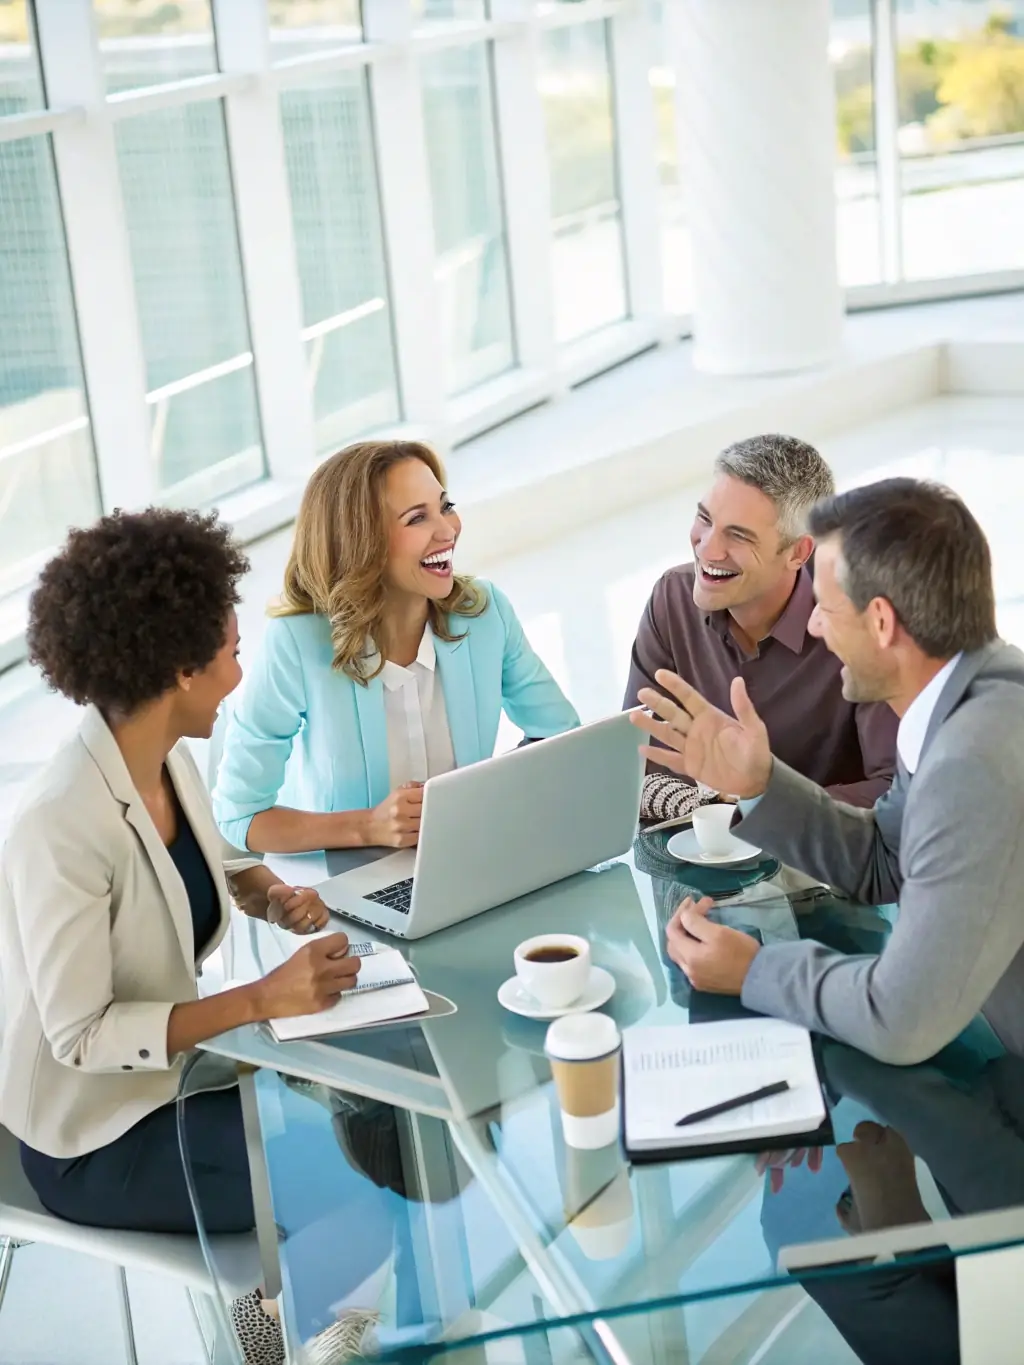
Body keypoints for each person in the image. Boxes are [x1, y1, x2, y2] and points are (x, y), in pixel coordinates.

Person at [0, 509, 367, 1364]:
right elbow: (81, 1032)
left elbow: (192, 864)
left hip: (174, 1086)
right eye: (233, 652)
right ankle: (300, 1348)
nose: (242, 671)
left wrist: (268, 892)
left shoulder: (161, 753)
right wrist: (262, 998)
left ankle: (292, 1339)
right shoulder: (62, 824)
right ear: (179, 670)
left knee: (360, 1130)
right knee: (344, 1183)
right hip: (92, 1138)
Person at [631, 477, 1024, 1065]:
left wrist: (754, 971)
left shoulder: (972, 761)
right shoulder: (976, 689)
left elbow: (901, 1019)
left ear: (883, 624)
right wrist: (761, 782)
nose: (814, 627)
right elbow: (882, 860)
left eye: (827, 609)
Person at [213, 440, 579, 854]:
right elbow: (239, 814)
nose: (448, 529)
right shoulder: (297, 642)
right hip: (349, 885)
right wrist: (367, 827)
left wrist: (482, 799)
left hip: (467, 861)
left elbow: (563, 738)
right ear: (360, 541)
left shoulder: (483, 611)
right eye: (417, 518)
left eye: (445, 506)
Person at [624, 434, 897, 810]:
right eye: (705, 519)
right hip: (702, 850)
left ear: (799, 551)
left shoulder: (856, 620)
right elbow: (638, 765)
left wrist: (763, 800)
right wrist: (727, 803)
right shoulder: (672, 601)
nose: (707, 548)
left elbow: (894, 791)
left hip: (825, 861)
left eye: (738, 535)